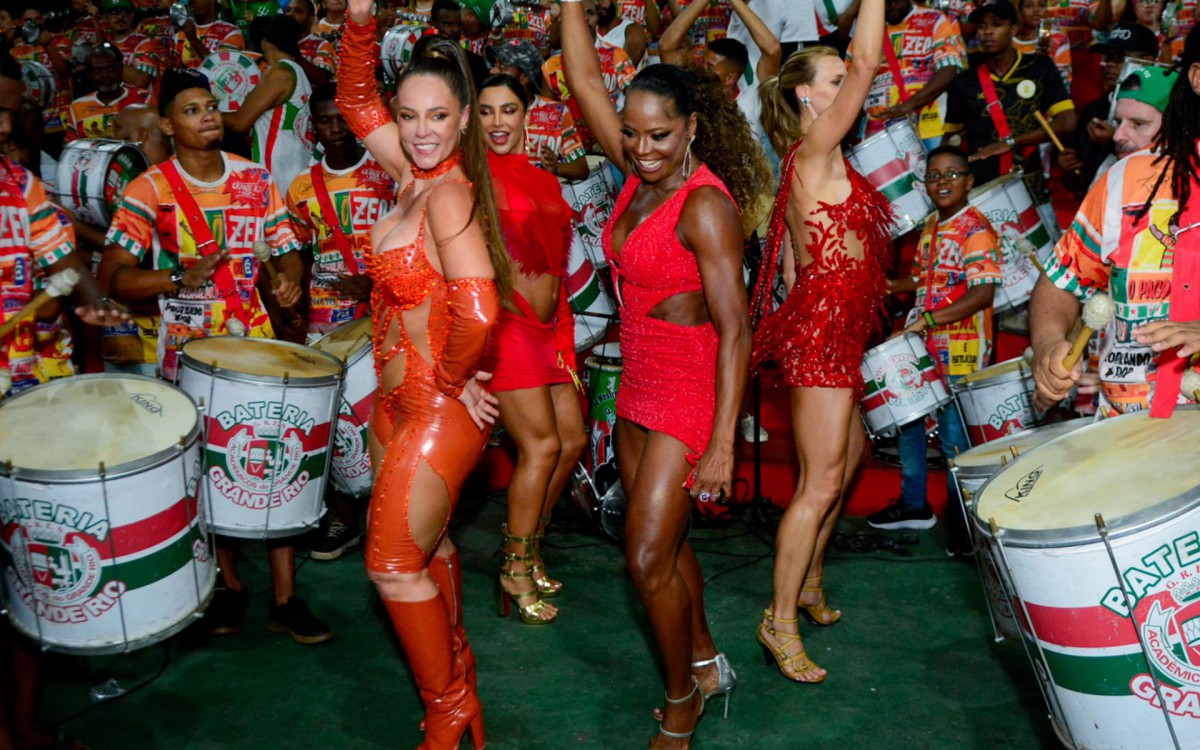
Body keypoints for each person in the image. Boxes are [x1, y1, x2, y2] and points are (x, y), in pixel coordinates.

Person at [563, 1, 768, 744]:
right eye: (633, 133)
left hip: (689, 392)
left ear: (689, 130)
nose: (643, 148)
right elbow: (585, 75)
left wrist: (720, 443)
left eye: (659, 136)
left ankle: (682, 702)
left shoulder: (704, 205)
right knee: (669, 545)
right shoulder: (633, 178)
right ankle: (708, 658)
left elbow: (737, 330)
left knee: (645, 558)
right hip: (638, 387)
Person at [97, 70, 326, 645]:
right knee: (206, 469)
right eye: (192, 110)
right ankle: (229, 585)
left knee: (270, 460)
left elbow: (286, 248)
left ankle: (286, 598)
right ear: (168, 125)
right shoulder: (149, 189)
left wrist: (292, 279)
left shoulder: (253, 178)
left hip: (254, 345)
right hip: (188, 354)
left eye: (211, 106)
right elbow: (111, 278)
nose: (208, 116)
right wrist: (178, 274)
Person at [337, 2, 511, 743]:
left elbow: (479, 310)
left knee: (390, 567)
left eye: (438, 116)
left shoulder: (448, 193)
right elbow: (352, 98)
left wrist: (449, 379)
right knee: (428, 551)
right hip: (396, 405)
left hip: (435, 412)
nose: (420, 130)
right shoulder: (409, 173)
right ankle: (460, 686)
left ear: (465, 119)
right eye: (408, 115)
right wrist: (357, 22)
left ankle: (446, 710)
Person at [750, 0, 889, 684]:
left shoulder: (809, 157)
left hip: (837, 327)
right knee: (820, 481)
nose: (850, 88)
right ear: (807, 94)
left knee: (849, 455)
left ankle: (806, 581)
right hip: (824, 334)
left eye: (843, 81)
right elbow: (868, 59)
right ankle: (777, 620)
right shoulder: (813, 147)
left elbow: (789, 260)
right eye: (834, 82)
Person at [1030, 35, 1197, 418]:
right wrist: (1049, 345)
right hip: (1123, 426)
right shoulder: (1124, 180)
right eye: (1118, 121)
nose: (1120, 134)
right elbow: (1061, 282)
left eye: (1139, 123)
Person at [474, 73, 586, 626]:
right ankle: (514, 568)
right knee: (540, 446)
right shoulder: (470, 180)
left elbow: (556, 263)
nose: (498, 122)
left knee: (571, 441)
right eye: (488, 111)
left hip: (552, 326)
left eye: (509, 110)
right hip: (509, 327)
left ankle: (528, 544)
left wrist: (562, 327)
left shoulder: (545, 181)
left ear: (527, 116)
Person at [867, 147, 1002, 553]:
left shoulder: (975, 229)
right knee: (909, 423)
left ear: (969, 180)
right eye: (933, 176)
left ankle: (964, 528)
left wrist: (927, 320)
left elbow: (983, 293)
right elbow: (923, 281)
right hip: (925, 346)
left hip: (962, 350)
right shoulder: (930, 224)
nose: (942, 182)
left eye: (952, 174)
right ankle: (914, 505)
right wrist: (885, 287)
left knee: (954, 441)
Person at [285, 83, 396, 559]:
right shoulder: (301, 188)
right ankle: (344, 518)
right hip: (325, 321)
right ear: (314, 127)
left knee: (386, 415)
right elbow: (297, 252)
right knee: (335, 422)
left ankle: (390, 513)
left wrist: (375, 288)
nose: (334, 129)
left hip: (385, 313)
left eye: (341, 119)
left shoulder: (385, 175)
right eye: (325, 121)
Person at [0, 49, 128, 399]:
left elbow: (61, 255)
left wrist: (97, 299)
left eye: (11, 113)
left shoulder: (19, 183)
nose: (6, 127)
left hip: (22, 372)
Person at [943, 0, 1075, 229]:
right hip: (983, 191)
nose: (987, 32)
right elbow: (951, 138)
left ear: (1013, 29)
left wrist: (1012, 142)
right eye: (982, 26)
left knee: (1045, 259)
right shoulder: (963, 82)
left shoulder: (1040, 67)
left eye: (996, 25)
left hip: (1032, 187)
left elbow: (1067, 121)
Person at [659, 0, 781, 166]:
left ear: (731, 78)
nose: (702, 69)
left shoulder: (752, 98)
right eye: (703, 62)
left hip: (748, 184)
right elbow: (667, 46)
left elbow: (772, 49)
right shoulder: (694, 91)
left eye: (710, 67)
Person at [841, 0, 966, 150]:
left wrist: (909, 105)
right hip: (879, 130)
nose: (890, 6)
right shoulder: (865, 31)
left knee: (935, 170)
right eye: (884, 3)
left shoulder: (933, 19)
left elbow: (949, 68)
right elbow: (850, 82)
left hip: (930, 123)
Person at [1057, 22, 1159, 193]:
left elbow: (1163, 168)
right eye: (1108, 58)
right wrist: (1068, 171)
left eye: (1119, 57)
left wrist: (1114, 142)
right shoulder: (1094, 111)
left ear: (1147, 61)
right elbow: (1082, 183)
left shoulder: (1163, 110)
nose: (1110, 64)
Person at [224, 15, 315, 201]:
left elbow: (239, 123)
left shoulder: (279, 72)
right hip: (297, 166)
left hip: (280, 171)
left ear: (265, 41)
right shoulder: (296, 70)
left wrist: (208, 113)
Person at [542, 0, 637, 149]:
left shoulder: (615, 55)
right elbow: (546, 114)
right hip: (568, 147)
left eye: (591, 13)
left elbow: (636, 97)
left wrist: (611, 125)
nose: (585, 18)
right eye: (579, 11)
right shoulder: (551, 66)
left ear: (597, 18)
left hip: (608, 144)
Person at [489, 39, 589, 181]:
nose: (494, 71)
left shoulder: (557, 113)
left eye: (503, 67)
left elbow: (581, 168)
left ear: (524, 76)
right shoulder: (487, 113)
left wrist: (556, 167)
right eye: (495, 65)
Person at [66, 46, 151, 141]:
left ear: (120, 69)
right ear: (88, 74)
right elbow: (71, 146)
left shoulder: (143, 98)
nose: (105, 74)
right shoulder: (77, 106)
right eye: (97, 70)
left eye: (110, 69)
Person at [102, 0, 161, 90]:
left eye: (125, 12)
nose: (120, 17)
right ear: (106, 17)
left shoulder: (145, 42)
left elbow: (141, 80)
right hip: (112, 102)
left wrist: (106, 62)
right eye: (114, 13)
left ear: (132, 16)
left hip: (140, 102)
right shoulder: (107, 43)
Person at [1012, 0, 1071, 89]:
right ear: (1020, 12)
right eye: (1029, 6)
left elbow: (1064, 81)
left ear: (1047, 11)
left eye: (1041, 5)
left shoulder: (1059, 39)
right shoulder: (1009, 42)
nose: (1036, 10)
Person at [174, 0, 245, 69]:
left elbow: (224, 72)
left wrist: (194, 41)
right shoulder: (181, 34)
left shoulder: (231, 33)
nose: (191, 1)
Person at [287, 0, 338, 86]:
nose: (290, 14)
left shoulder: (322, 45)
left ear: (311, 19)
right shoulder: (274, 42)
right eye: (288, 10)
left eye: (298, 11)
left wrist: (293, 52)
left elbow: (321, 79)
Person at [597, 0, 647, 66]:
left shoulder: (633, 30)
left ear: (615, 1)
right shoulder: (587, 29)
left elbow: (627, 70)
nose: (598, 3)